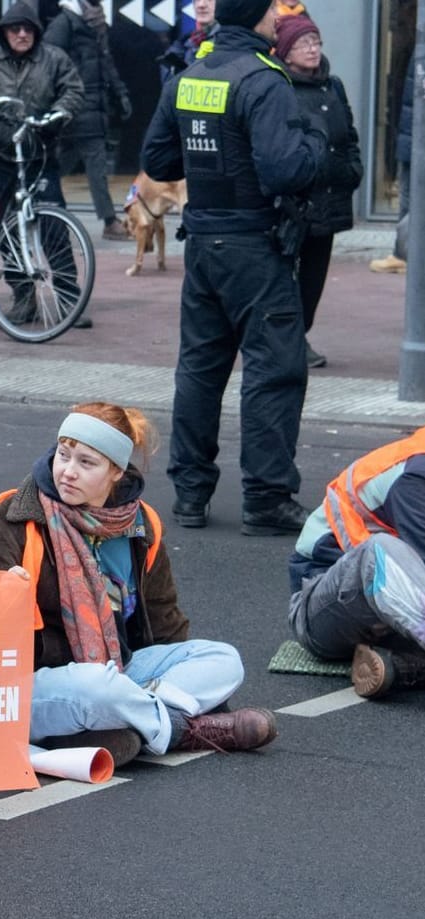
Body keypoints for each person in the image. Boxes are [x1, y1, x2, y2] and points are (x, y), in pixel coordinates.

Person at [0, 404, 279, 763]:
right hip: (32, 683)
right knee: (97, 686)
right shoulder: (14, 518)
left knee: (223, 659)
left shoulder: (141, 524)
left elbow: (163, 619)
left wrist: (187, 676)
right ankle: (180, 729)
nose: (67, 472)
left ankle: (131, 726)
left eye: (86, 463)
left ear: (116, 472)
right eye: (63, 455)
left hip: (120, 672)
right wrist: (0, 598)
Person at [139, 0, 327, 536]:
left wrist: (212, 158)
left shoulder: (191, 73)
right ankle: (266, 498)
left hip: (203, 244)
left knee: (200, 369)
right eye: (273, 8)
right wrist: (315, 142)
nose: (279, 16)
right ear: (255, 15)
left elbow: (159, 161)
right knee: (274, 371)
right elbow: (285, 168)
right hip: (254, 247)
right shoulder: (264, 79)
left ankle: (190, 494)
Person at [288, 428, 425, 698]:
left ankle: (401, 666)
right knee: (380, 550)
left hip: (395, 616)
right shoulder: (416, 478)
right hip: (322, 607)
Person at [275, 14, 362, 370]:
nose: (312, 49)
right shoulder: (279, 86)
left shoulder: (334, 86)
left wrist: (352, 170)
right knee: (286, 277)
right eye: (303, 43)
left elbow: (350, 136)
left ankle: (299, 335)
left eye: (316, 42)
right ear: (286, 51)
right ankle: (289, 343)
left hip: (331, 199)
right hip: (296, 202)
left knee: (314, 279)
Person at [0, 1, 83, 215]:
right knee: (4, 227)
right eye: (15, 29)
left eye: (28, 29)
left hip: (40, 153)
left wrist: (56, 115)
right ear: (4, 32)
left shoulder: (54, 58)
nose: (22, 34)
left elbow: (74, 91)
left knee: (54, 223)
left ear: (36, 32)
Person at [44, 0, 133, 243]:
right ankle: (108, 221)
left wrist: (120, 92)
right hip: (76, 105)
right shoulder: (65, 23)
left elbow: (105, 63)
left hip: (93, 105)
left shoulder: (94, 21)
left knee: (63, 162)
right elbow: (47, 64)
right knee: (94, 164)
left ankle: (35, 198)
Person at [371, 62, 411, 275]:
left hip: (413, 138)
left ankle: (404, 254)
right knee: (406, 203)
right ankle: (401, 254)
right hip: (410, 138)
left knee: (412, 205)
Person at [159, 0, 216, 82]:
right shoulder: (184, 42)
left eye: (209, 0)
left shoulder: (227, 41)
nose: (201, 5)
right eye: (197, 0)